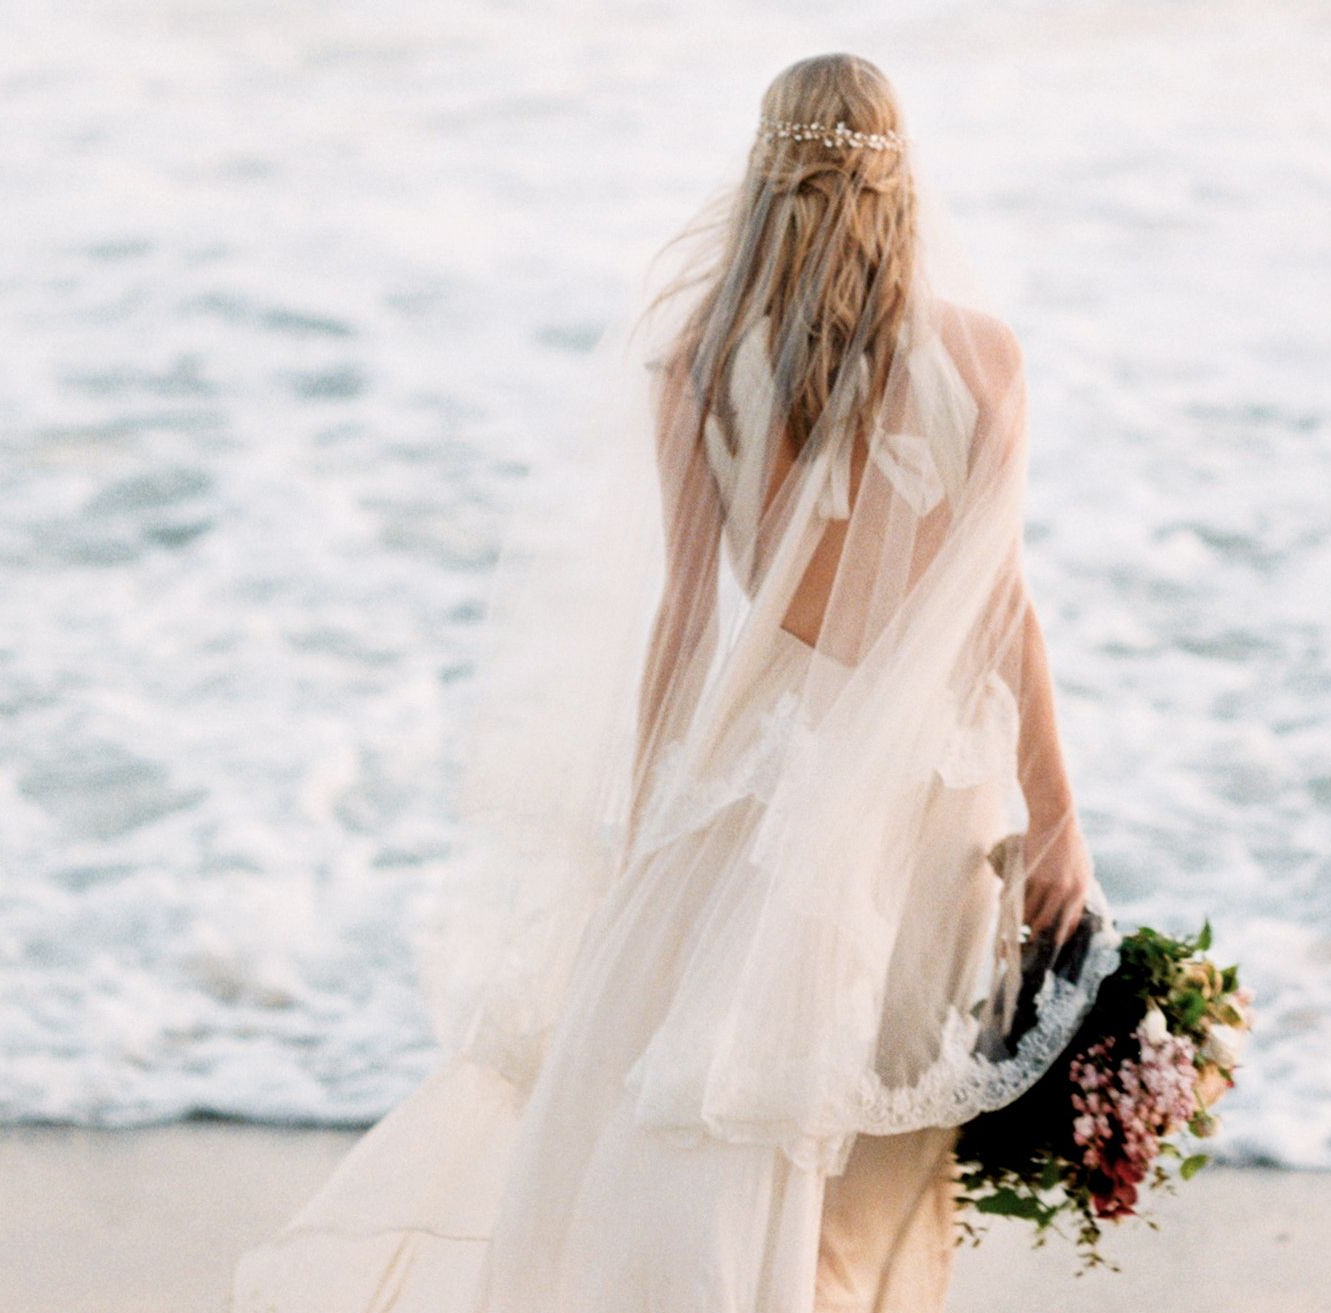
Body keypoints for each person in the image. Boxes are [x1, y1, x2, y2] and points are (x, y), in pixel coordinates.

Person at [232, 51, 1117, 1313]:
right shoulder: (982, 360)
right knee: (866, 1150)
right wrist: (1057, 829)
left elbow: (689, 621)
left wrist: (648, 828)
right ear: (903, 173)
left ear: (762, 169)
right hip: (929, 788)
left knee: (715, 1116)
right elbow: (1001, 609)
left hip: (765, 780)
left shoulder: (700, 360)